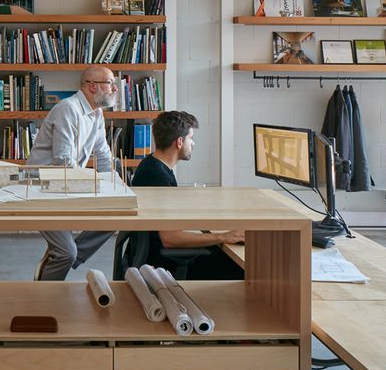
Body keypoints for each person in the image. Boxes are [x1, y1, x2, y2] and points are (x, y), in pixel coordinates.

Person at [29, 67, 118, 280]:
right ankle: (55, 271)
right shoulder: (67, 109)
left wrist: (116, 186)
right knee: (67, 253)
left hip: (68, 183)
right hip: (43, 187)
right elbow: (63, 160)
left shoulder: (97, 113)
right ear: (92, 86)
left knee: (115, 217)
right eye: (110, 83)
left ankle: (61, 255)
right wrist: (90, 184)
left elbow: (103, 155)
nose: (115, 88)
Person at [132, 110, 244, 278]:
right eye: (191, 138)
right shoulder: (159, 177)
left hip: (157, 255)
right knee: (241, 266)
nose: (193, 143)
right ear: (179, 142)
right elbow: (170, 239)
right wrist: (223, 236)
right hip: (164, 264)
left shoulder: (152, 165)